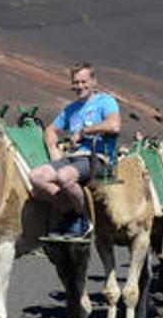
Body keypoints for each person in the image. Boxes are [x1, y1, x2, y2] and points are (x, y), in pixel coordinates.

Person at [29, 62, 121, 239]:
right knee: (36, 177)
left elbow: (114, 125)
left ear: (93, 81)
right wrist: (52, 150)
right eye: (76, 82)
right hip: (73, 158)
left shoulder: (106, 101)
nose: (79, 86)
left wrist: (84, 131)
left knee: (64, 176)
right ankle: (71, 212)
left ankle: (83, 221)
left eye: (83, 81)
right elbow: (50, 130)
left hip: (98, 157)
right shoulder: (70, 109)